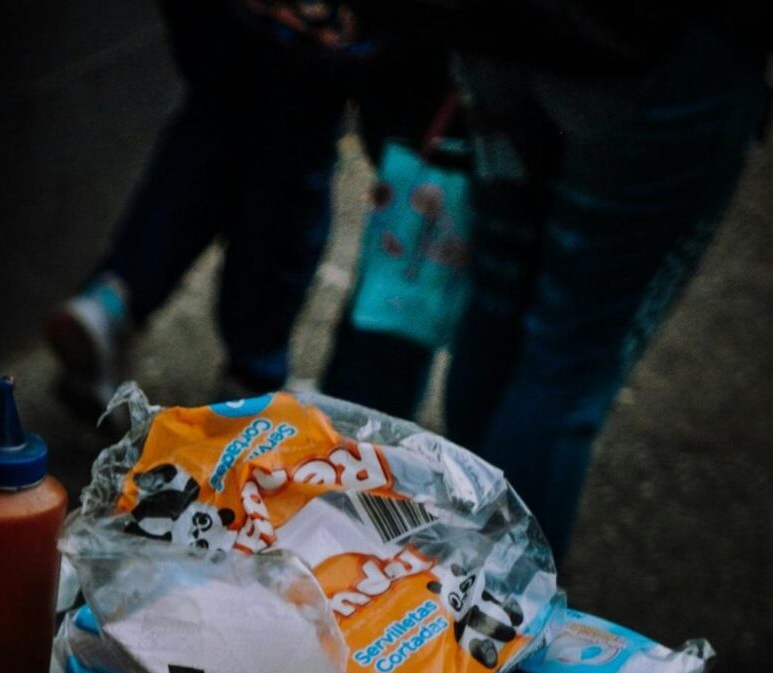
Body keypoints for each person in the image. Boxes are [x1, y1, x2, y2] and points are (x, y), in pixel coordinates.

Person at [434, 13, 767, 555]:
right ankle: (499, 609)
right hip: (663, 59)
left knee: (498, 303)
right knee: (564, 360)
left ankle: (454, 579)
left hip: (500, 39)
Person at [46, 0, 452, 420]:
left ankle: (116, 296)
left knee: (219, 115)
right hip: (315, 33)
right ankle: (250, 381)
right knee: (295, 154)